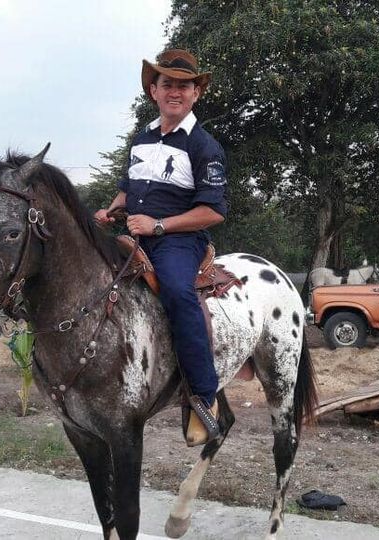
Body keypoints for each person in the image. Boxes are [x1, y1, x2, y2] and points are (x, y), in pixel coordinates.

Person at [95, 49, 228, 446]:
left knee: (176, 292)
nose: (175, 92)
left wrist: (158, 225)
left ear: (195, 93)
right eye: (167, 84)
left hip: (179, 241)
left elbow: (213, 212)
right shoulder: (142, 138)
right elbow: (129, 187)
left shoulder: (204, 146)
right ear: (153, 91)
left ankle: (204, 396)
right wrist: (112, 209)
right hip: (137, 234)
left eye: (184, 86)